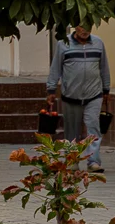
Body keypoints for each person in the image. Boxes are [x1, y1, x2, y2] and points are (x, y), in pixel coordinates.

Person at [47, 24, 111, 168]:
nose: (85, 30)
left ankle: (93, 162)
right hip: (70, 95)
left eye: (88, 26)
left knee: (93, 127)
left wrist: (106, 89)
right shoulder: (63, 43)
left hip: (94, 94)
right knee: (72, 131)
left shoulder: (98, 43)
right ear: (75, 27)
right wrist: (51, 90)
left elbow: (104, 68)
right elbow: (55, 68)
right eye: (81, 26)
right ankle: (72, 160)